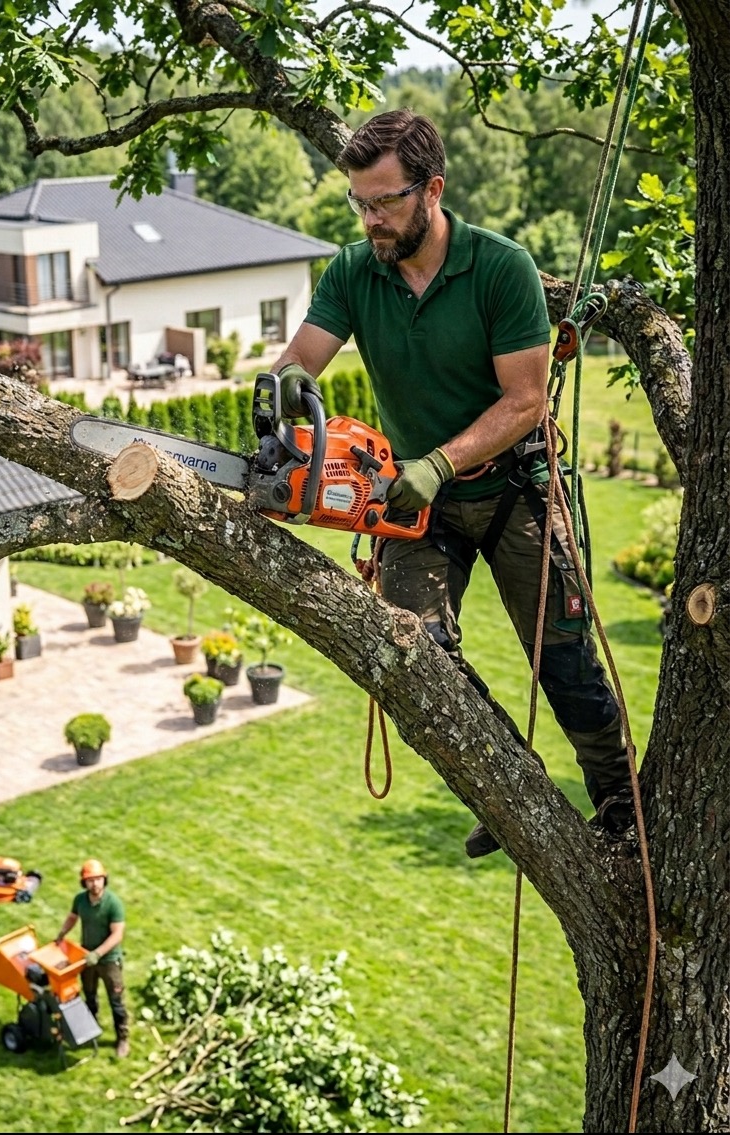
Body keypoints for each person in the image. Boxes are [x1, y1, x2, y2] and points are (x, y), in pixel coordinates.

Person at [269, 108, 634, 857]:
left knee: (564, 664)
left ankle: (622, 804)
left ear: (431, 190)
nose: (370, 218)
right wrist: (280, 389)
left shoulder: (501, 268)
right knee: (421, 664)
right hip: (410, 503)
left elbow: (525, 400)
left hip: (511, 489)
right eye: (359, 202)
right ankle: (510, 790)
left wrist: (442, 461)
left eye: (384, 201)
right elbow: (302, 355)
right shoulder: (352, 270)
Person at [55, 858, 130, 1056]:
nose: (95, 884)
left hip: (108, 961)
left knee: (116, 1001)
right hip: (86, 958)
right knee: (89, 996)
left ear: (105, 880)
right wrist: (62, 933)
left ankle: (122, 1038)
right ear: (84, 883)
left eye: (98, 879)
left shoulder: (113, 903)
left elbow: (117, 935)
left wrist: (98, 953)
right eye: (90, 880)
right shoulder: (80, 900)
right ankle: (91, 1028)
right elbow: (73, 917)